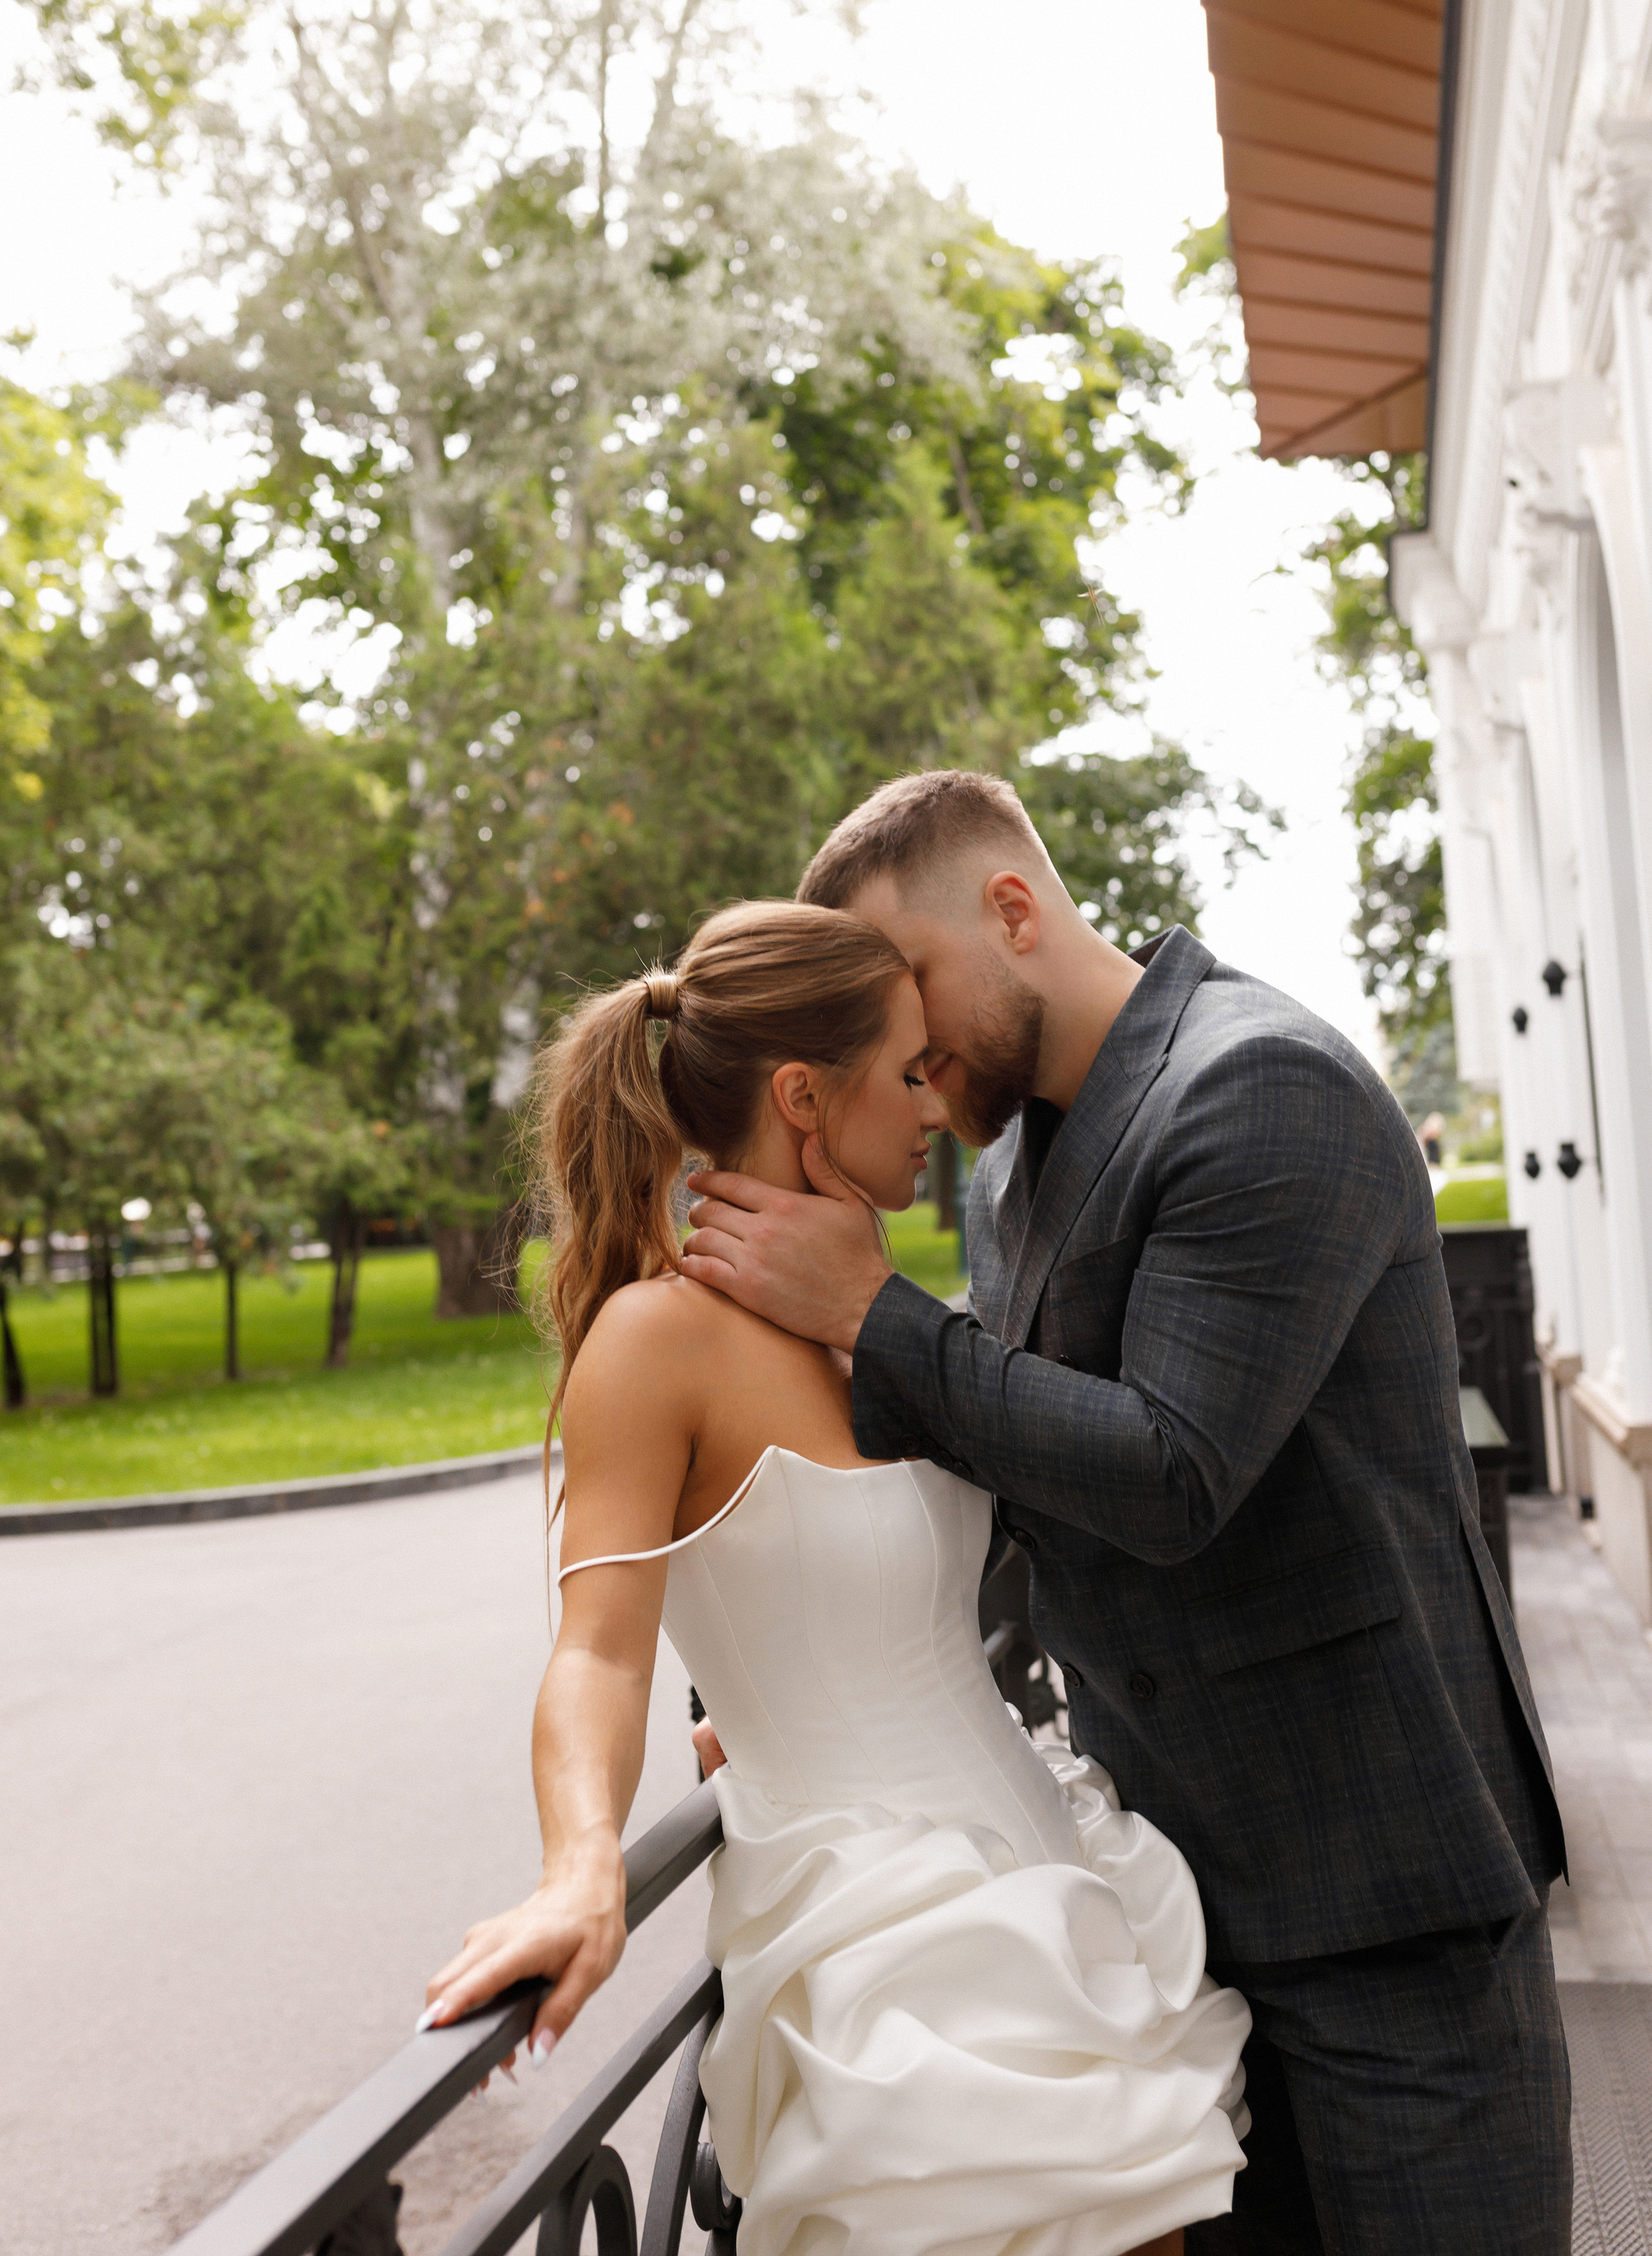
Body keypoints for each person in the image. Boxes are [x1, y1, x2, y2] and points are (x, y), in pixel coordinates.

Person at [677, 772, 1572, 2256]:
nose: (898, 1041)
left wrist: (874, 1312)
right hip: (1178, 1909)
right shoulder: (1008, 1169)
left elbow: (1170, 1472)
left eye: (907, 980)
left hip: (1384, 1904)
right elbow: (1008, 1458)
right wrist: (797, 1668)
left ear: (1012, 910)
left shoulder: (1259, 1084)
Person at [424, 900, 1252, 2256]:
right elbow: (597, 1650)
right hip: (892, 1960)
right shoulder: (654, 1339)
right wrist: (581, 1870)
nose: (936, 1104)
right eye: (908, 1070)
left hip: (1049, 1881)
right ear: (804, 1098)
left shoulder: (870, 1313)